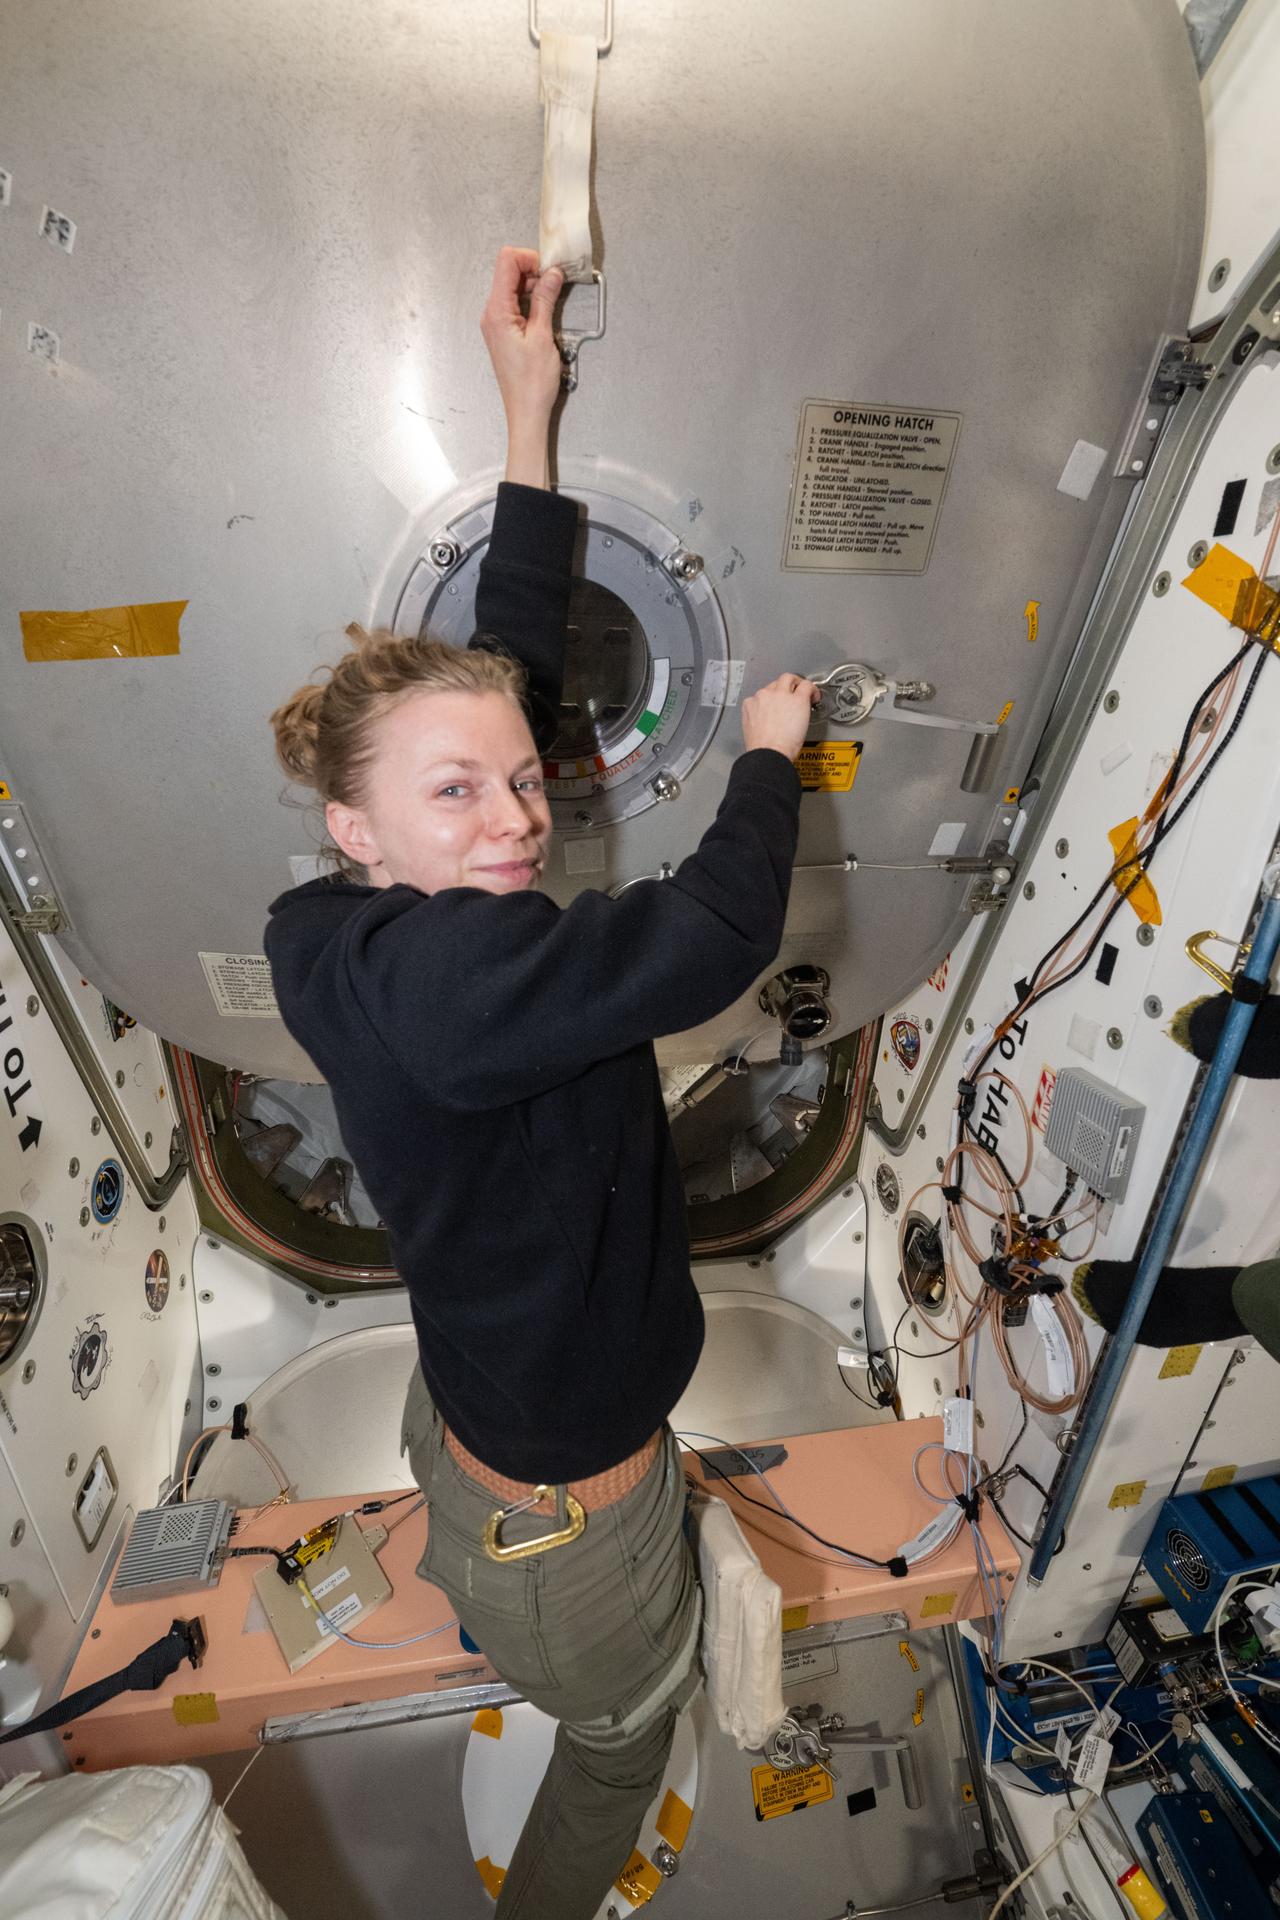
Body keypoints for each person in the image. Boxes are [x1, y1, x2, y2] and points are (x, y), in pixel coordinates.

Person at [264, 245, 816, 1920]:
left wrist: (530, 417)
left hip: (476, 1407)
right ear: (361, 821)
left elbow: (500, 682)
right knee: (618, 1738)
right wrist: (776, 753)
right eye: (462, 796)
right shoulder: (465, 980)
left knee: (506, 713)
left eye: (521, 782)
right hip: (576, 1510)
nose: (515, 818)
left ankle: (480, 1572)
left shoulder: (335, 927)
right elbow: (707, 936)